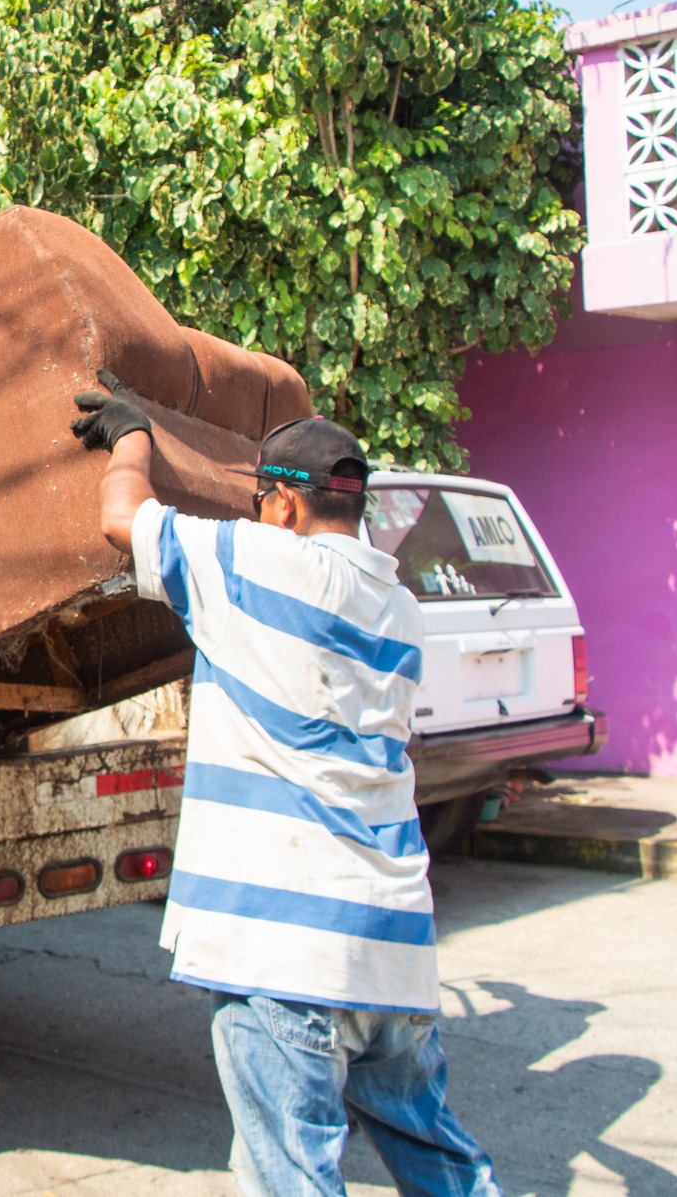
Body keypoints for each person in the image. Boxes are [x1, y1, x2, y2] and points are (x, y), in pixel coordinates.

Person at [71, 372, 499, 1197]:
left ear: (284, 507)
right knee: (442, 1165)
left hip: (287, 952)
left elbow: (120, 517)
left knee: (292, 1181)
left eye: (263, 497)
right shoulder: (399, 609)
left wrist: (133, 439)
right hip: (393, 948)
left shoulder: (260, 564)